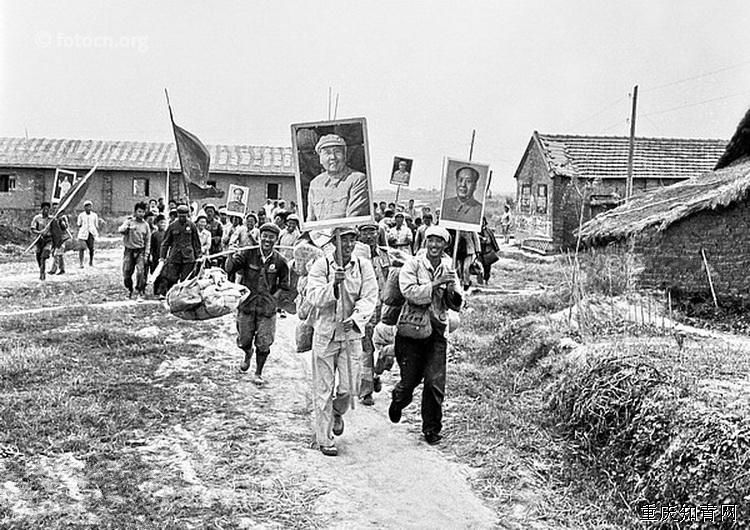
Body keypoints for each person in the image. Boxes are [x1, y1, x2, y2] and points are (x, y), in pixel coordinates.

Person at [305, 226, 379, 456]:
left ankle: (338, 412)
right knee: (323, 389)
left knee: (348, 388)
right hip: (326, 335)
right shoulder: (322, 266)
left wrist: (356, 318)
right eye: (343, 240)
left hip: (351, 337)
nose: (347, 245)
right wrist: (333, 286)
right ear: (333, 242)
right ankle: (324, 439)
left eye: (351, 240)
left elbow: (370, 296)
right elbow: (313, 296)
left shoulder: (363, 266)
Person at [389, 226, 463, 445]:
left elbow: (457, 304)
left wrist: (452, 289)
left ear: (445, 245)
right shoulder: (413, 264)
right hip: (411, 331)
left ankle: (431, 428)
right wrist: (435, 285)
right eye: (431, 240)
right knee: (410, 380)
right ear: (425, 242)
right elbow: (409, 292)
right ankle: (399, 399)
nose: (434, 245)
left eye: (439, 241)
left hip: (437, 330)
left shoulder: (449, 267)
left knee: (434, 381)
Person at [225, 222, 290, 384]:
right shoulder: (248, 254)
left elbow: (284, 285)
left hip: (267, 310)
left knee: (264, 342)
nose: (267, 240)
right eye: (264, 236)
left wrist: (273, 300)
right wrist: (231, 255)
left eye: (271, 237)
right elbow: (230, 269)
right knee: (244, 340)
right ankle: (247, 353)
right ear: (259, 237)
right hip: (247, 305)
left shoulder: (280, 261)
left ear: (276, 239)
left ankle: (258, 372)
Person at [357, 222, 391, 406]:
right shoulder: (356, 257)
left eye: (372, 232)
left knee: (388, 348)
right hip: (365, 308)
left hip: (384, 308)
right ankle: (366, 390)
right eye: (365, 232)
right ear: (360, 235)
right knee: (366, 348)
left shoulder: (385, 255)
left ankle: (377, 373)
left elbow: (391, 278)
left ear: (378, 234)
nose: (369, 236)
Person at [306, 134, 370, 222]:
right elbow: (310, 219)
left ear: (345, 156)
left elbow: (354, 219)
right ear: (320, 159)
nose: (333, 157)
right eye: (327, 153)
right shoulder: (315, 184)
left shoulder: (357, 179)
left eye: (337, 152)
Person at [159, 204, 202, 290]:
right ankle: (172, 293)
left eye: (184, 216)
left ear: (187, 215)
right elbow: (165, 243)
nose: (182, 218)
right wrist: (162, 257)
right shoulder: (172, 226)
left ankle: (184, 295)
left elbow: (196, 243)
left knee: (186, 279)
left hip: (188, 257)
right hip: (175, 256)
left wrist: (198, 256)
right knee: (172, 278)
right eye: (180, 216)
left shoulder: (192, 226)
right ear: (177, 215)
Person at [118, 201, 152, 299]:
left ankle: (140, 290)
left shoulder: (146, 225)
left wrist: (146, 254)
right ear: (135, 212)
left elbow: (148, 241)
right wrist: (127, 227)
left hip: (140, 251)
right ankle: (129, 289)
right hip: (129, 250)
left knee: (141, 272)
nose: (141, 214)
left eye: (143, 212)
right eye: (139, 211)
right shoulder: (129, 222)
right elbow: (121, 230)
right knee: (127, 272)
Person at [30, 202, 53, 280]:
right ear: (41, 209)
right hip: (39, 240)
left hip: (49, 240)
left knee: (43, 256)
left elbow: (57, 228)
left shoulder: (52, 219)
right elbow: (33, 229)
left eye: (47, 209)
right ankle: (42, 269)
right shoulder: (37, 218)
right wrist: (40, 232)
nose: (46, 211)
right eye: (44, 209)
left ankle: (42, 274)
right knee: (38, 257)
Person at [76, 200, 101, 268]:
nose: (88, 208)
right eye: (86, 207)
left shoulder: (94, 215)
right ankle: (81, 263)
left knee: (91, 248)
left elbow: (96, 225)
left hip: (91, 233)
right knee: (82, 248)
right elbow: (79, 224)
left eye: (89, 206)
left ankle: (91, 261)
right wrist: (83, 228)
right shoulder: (81, 215)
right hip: (83, 233)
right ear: (84, 207)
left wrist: (94, 232)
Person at [150, 214, 169, 298]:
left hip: (165, 257)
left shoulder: (167, 234)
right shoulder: (154, 234)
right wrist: (151, 255)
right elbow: (151, 247)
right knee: (156, 273)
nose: (163, 225)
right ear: (157, 224)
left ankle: (162, 292)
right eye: (161, 223)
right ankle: (156, 291)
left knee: (164, 275)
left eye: (164, 223)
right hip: (156, 257)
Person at [478, 216, 499, 284]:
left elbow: (492, 240)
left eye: (483, 221)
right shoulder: (477, 231)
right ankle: (480, 280)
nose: (482, 223)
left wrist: (496, 249)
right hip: (479, 252)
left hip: (487, 252)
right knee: (479, 266)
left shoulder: (488, 231)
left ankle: (486, 279)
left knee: (487, 267)